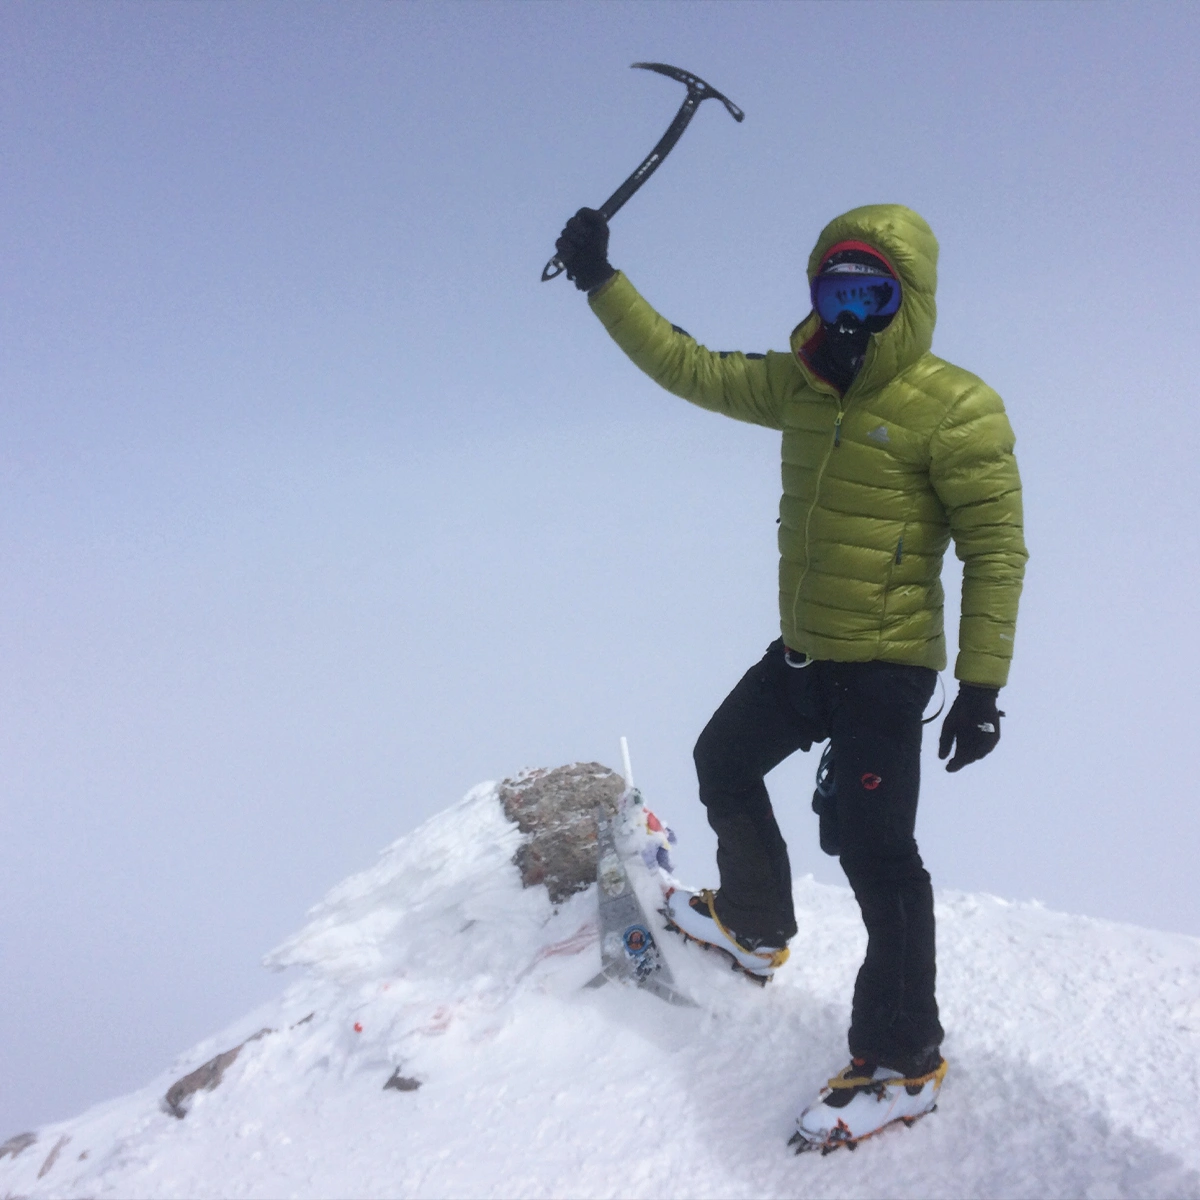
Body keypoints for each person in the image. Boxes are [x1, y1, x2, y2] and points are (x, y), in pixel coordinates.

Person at [553, 203, 1027, 1151]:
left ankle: (903, 1060)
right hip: (805, 652)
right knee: (722, 759)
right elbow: (687, 365)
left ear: (909, 300)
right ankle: (756, 925)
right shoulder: (801, 385)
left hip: (887, 671)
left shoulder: (957, 406)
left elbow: (996, 550)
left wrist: (980, 687)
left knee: (877, 856)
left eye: (871, 294)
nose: (851, 314)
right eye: (836, 292)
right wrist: (603, 282)